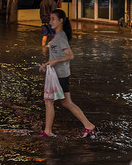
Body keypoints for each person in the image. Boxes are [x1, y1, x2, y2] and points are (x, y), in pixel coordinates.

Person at [39, 9, 96, 138]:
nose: (50, 21)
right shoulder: (57, 36)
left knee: (49, 101)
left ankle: (48, 131)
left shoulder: (61, 36)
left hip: (59, 75)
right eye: (50, 18)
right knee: (66, 102)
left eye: (53, 19)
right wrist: (47, 64)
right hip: (57, 73)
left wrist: (55, 62)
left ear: (61, 21)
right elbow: (56, 55)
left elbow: (70, 55)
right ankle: (88, 126)